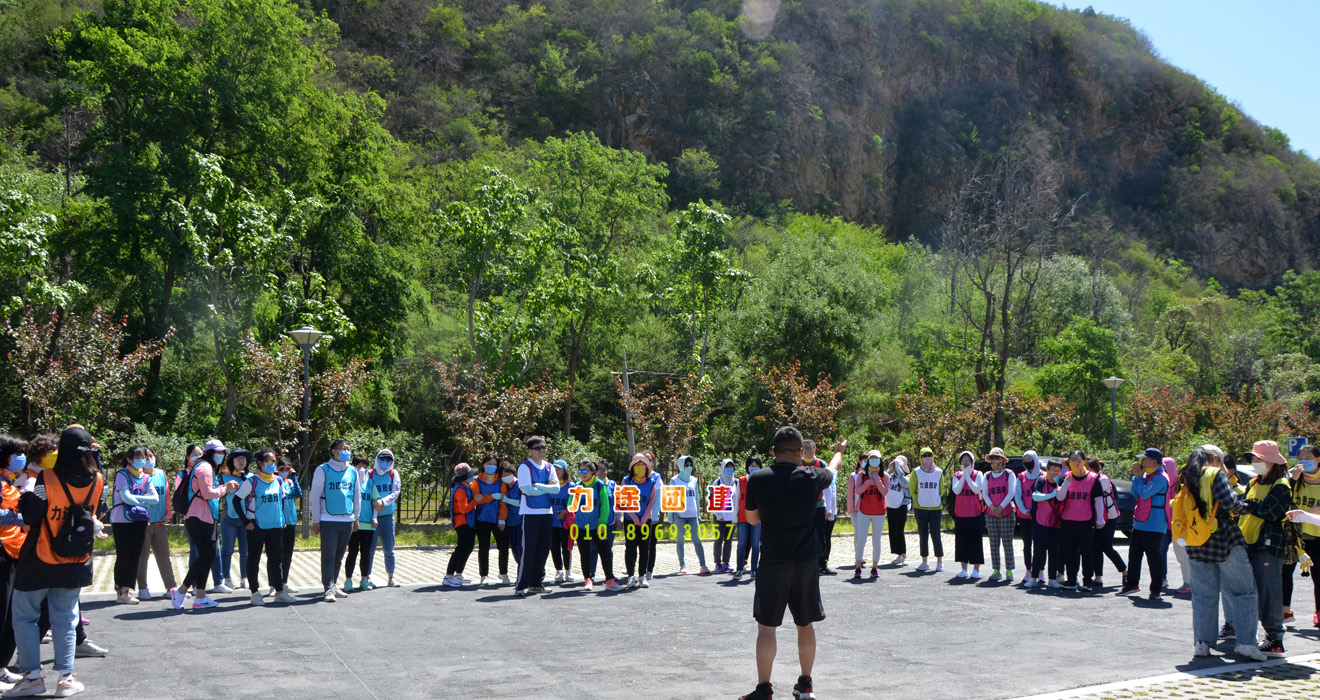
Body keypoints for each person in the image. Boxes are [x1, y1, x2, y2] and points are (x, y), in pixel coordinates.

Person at [738, 427, 843, 700]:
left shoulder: (757, 479)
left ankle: (764, 690)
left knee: (767, 627)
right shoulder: (812, 476)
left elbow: (752, 520)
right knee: (805, 624)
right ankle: (805, 685)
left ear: (772, 452)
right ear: (801, 453)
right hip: (807, 562)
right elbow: (833, 468)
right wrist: (838, 451)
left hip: (773, 561)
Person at [8, 426, 106, 697]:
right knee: (65, 618)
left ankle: (31, 678)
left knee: (25, 616)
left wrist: (27, 496)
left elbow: (31, 516)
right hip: (76, 558)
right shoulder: (97, 479)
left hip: (40, 558)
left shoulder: (46, 478)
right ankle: (66, 678)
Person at [1177, 447, 1264, 660]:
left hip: (1196, 540)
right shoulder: (1215, 474)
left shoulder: (1186, 474)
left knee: (1203, 595)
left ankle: (1202, 643)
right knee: (1244, 591)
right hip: (1223, 539)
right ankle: (1246, 643)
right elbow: (1231, 503)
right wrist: (1250, 506)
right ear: (1215, 458)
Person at [170, 439, 241, 611]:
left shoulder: (203, 467)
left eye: (222, 452)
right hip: (200, 517)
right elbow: (208, 493)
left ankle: (200, 596)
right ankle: (181, 591)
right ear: (209, 453)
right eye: (217, 452)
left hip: (203, 517)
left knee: (207, 556)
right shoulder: (205, 468)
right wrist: (226, 488)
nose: (221, 455)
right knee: (206, 556)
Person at [1236, 440, 1291, 657]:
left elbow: (1272, 512)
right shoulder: (1253, 482)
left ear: (1270, 461)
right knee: (1253, 593)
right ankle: (1260, 636)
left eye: (1257, 458)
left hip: (1268, 545)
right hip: (1249, 543)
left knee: (1269, 592)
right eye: (1253, 458)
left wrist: (1245, 506)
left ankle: (1275, 639)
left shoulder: (1282, 485)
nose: (1254, 462)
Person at [233, 450, 295, 605]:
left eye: (273, 461)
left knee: (276, 559)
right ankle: (254, 592)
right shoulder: (252, 481)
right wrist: (246, 521)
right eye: (269, 461)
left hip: (275, 526)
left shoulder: (278, 481)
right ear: (260, 463)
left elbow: (281, 500)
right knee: (254, 559)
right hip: (257, 527)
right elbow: (236, 500)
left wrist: (282, 518)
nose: (272, 464)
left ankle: (279, 591)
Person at [309, 439, 363, 603]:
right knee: (328, 556)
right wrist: (316, 519)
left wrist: (356, 517)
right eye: (342, 448)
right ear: (333, 451)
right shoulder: (323, 469)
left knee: (339, 556)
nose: (346, 451)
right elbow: (315, 495)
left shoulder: (353, 471)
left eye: (348, 448)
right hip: (328, 518)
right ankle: (328, 588)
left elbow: (356, 496)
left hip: (347, 518)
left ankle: (334, 585)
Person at [1117, 448, 1171, 599]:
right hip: (1140, 522)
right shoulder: (1147, 475)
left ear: (1154, 462)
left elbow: (1145, 492)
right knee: (1134, 555)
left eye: (1145, 459)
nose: (1142, 462)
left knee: (1153, 557)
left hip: (1154, 523)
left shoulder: (1161, 477)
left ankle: (1156, 589)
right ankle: (1131, 585)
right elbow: (1136, 492)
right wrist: (1137, 478)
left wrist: (1139, 478)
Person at [109, 446, 157, 605]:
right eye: (137, 458)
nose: (141, 461)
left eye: (143, 457)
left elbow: (155, 498)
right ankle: (120, 589)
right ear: (129, 459)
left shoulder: (146, 477)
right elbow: (125, 497)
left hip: (140, 519)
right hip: (121, 520)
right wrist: (144, 500)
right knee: (124, 555)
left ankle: (126, 590)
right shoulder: (122, 474)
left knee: (136, 555)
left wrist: (138, 500)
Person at [514, 436, 560, 597]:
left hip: (546, 513)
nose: (542, 450)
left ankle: (536, 583)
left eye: (544, 447)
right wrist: (547, 487)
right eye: (538, 448)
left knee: (543, 550)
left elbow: (556, 489)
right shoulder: (524, 467)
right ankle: (521, 584)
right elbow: (527, 490)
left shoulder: (549, 466)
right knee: (528, 550)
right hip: (530, 513)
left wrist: (539, 486)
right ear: (531, 450)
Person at [1054, 450, 1105, 591]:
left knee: (1087, 551)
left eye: (1078, 459)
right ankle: (1071, 580)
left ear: (1083, 461)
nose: (1075, 462)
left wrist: (1100, 519)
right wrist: (1066, 484)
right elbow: (1059, 497)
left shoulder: (1093, 478)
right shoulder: (1067, 477)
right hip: (1068, 520)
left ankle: (1087, 581)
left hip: (1086, 521)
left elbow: (1098, 500)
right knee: (1070, 551)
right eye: (1072, 459)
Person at [571, 460, 622, 592]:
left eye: (585, 471)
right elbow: (571, 505)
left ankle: (610, 580)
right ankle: (588, 579)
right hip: (582, 526)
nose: (582, 474)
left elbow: (605, 507)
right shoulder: (577, 486)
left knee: (605, 552)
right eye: (580, 471)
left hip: (598, 527)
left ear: (592, 472)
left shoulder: (600, 486)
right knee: (585, 553)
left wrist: (601, 523)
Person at [1283, 445, 1320, 628]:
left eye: (1308, 457)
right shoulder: (1292, 478)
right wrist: (1292, 480)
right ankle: (1285, 610)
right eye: (1300, 458)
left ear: (1318, 460)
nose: (1303, 461)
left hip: (1316, 535)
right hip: (1294, 534)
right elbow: (1281, 498)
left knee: (1318, 576)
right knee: (1285, 572)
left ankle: (1318, 613)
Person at [135, 448, 176, 602]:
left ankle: (171, 586)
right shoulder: (137, 475)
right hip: (143, 522)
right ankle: (143, 588)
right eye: (145, 457)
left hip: (159, 522)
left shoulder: (160, 473)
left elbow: (166, 494)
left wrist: (169, 513)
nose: (149, 459)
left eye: (151, 456)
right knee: (142, 557)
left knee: (164, 556)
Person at [621, 453, 660, 589]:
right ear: (632, 467)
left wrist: (643, 518)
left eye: (642, 464)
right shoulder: (626, 481)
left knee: (645, 548)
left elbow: (652, 501)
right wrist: (635, 518)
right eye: (637, 464)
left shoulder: (651, 482)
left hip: (645, 521)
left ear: (647, 467)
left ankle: (642, 577)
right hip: (630, 520)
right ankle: (631, 576)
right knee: (630, 548)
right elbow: (623, 501)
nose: (639, 467)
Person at [217, 448, 252, 592]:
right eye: (238, 459)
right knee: (227, 550)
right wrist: (226, 489)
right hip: (229, 518)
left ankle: (245, 578)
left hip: (247, 519)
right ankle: (227, 578)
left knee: (246, 551)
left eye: (243, 459)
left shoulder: (251, 477)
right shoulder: (224, 477)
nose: (241, 461)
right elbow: (216, 493)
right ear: (232, 461)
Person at [365, 449, 401, 587]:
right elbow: (366, 491)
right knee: (370, 549)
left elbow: (395, 492)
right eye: (382, 459)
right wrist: (375, 503)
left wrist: (383, 502)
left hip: (387, 517)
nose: (384, 462)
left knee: (389, 549)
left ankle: (391, 577)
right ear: (377, 459)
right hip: (371, 518)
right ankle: (366, 577)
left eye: (388, 460)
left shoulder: (393, 474)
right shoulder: (370, 474)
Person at [801, 440, 837, 576]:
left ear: (815, 449)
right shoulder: (798, 463)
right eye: (806, 448)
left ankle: (822, 564)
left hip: (819, 505)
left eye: (811, 448)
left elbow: (828, 488)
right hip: (803, 507)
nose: (808, 450)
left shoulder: (821, 464)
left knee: (820, 535)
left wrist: (829, 508)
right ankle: (805, 564)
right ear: (802, 450)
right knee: (804, 535)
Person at [849, 450, 887, 579]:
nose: (874, 461)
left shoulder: (885, 475)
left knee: (876, 540)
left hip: (879, 512)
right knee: (861, 539)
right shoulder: (862, 474)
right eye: (871, 459)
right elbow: (858, 491)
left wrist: (877, 478)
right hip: (864, 511)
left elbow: (885, 492)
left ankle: (874, 567)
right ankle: (858, 567)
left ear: (880, 461)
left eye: (876, 459)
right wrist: (867, 483)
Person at [981, 447, 1017, 582]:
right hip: (990, 514)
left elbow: (1011, 492)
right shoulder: (987, 475)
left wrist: (1000, 508)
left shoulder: (1009, 474)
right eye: (992, 458)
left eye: (997, 458)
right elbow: (985, 493)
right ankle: (996, 569)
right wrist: (993, 508)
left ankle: (1009, 570)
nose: (994, 461)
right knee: (994, 543)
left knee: (1007, 543)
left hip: (1006, 513)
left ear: (1002, 460)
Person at [344, 455, 377, 592]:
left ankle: (364, 579)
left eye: (364, 466)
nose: (362, 469)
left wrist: (375, 518)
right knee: (352, 553)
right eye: (359, 466)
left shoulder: (370, 483)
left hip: (368, 525)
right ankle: (348, 580)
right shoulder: (351, 482)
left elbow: (375, 502)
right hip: (354, 525)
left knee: (366, 553)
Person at [470, 455, 506, 585]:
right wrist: (493, 496)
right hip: (482, 518)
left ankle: (503, 573)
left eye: (495, 464)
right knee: (483, 547)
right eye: (489, 463)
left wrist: (502, 519)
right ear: (484, 465)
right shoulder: (476, 481)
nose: (492, 466)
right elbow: (476, 499)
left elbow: (503, 500)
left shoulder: (501, 481)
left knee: (503, 546)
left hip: (497, 518)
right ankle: (484, 575)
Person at [1029, 460, 1065, 588]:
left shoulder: (1062, 482)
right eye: (1052, 469)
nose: (1054, 472)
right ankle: (1033, 577)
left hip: (1056, 522)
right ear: (1047, 469)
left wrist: (1060, 489)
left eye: (1057, 470)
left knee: (1054, 552)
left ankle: (1052, 579)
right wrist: (1052, 494)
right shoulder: (1041, 480)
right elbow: (1035, 496)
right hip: (1040, 521)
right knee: (1039, 550)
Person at [671, 455, 709, 575]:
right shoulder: (674, 480)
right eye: (686, 465)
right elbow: (671, 499)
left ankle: (703, 565)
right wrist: (671, 516)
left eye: (691, 465)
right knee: (680, 540)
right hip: (679, 515)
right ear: (681, 466)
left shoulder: (694, 480)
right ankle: (682, 566)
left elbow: (696, 498)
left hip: (693, 515)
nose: (689, 467)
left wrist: (698, 514)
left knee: (697, 540)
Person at [909, 447, 945, 572]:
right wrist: (918, 500)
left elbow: (941, 490)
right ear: (920, 457)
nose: (927, 458)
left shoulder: (939, 472)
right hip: (920, 507)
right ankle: (924, 561)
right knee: (923, 534)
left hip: (936, 508)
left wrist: (934, 499)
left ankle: (939, 561)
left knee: (936, 534)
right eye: (924, 456)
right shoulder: (916, 472)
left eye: (929, 455)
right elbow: (912, 489)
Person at [950, 450, 984, 580]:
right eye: (963, 460)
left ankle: (976, 569)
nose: (965, 462)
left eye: (967, 460)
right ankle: (964, 569)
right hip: (961, 513)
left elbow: (976, 489)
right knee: (961, 542)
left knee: (975, 541)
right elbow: (956, 490)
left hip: (975, 513)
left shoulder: (978, 474)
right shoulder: (957, 475)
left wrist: (967, 475)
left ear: (972, 462)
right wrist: (964, 475)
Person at [443, 463, 477, 588]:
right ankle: (448, 576)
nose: (472, 477)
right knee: (461, 548)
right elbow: (464, 509)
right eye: (470, 476)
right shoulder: (460, 490)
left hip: (468, 522)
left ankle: (458, 573)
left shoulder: (465, 487)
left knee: (468, 547)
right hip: (462, 523)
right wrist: (475, 500)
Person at [1013, 450, 1042, 585]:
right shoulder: (1021, 477)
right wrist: (1024, 510)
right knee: (1027, 544)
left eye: (1030, 459)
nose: (1027, 462)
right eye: (1025, 460)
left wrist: (1036, 510)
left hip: (1040, 515)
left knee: (1040, 544)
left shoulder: (1043, 476)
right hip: (1024, 515)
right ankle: (1028, 570)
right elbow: (1018, 495)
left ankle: (1040, 570)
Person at [733, 457, 763, 580]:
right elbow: (736, 499)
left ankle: (754, 570)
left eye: (756, 465)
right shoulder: (741, 481)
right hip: (742, 517)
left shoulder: (763, 480)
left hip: (757, 518)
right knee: (742, 544)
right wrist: (734, 517)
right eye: (752, 465)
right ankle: (739, 569)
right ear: (747, 467)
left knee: (756, 545)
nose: (754, 467)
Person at [275, 458, 301, 594]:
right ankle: (274, 584)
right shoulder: (274, 483)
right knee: (276, 555)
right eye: (281, 469)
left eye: (287, 469)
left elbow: (298, 494)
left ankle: (284, 582)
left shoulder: (290, 482)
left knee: (287, 554)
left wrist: (294, 476)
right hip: (278, 523)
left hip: (291, 521)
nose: (284, 472)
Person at [549, 460, 576, 583]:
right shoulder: (549, 484)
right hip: (551, 522)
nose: (556, 471)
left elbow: (574, 503)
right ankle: (558, 571)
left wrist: (566, 511)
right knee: (554, 547)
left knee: (566, 547)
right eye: (554, 468)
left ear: (564, 470)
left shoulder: (571, 486)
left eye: (559, 468)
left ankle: (568, 571)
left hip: (565, 523)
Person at [712, 459, 739, 573]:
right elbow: (713, 500)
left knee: (728, 540)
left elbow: (737, 501)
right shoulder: (717, 482)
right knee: (718, 540)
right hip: (720, 517)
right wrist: (718, 515)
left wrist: (736, 516)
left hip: (731, 518)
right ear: (723, 468)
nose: (729, 469)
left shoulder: (736, 483)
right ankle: (717, 563)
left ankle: (726, 562)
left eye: (731, 467)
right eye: (727, 467)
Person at [498, 462, 523, 581]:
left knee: (520, 549)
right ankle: (521, 573)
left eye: (508, 473)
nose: (506, 475)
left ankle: (522, 574)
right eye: (504, 474)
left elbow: (522, 502)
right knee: (514, 549)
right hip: (510, 522)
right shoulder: (505, 486)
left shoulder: (519, 484)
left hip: (521, 522)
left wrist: (507, 500)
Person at [884, 455, 911, 566]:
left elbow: (905, 483)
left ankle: (903, 554)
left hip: (901, 505)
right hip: (891, 505)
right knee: (893, 529)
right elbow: (882, 478)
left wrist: (899, 470)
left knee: (900, 530)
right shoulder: (891, 476)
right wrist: (890, 469)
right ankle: (898, 553)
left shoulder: (908, 476)